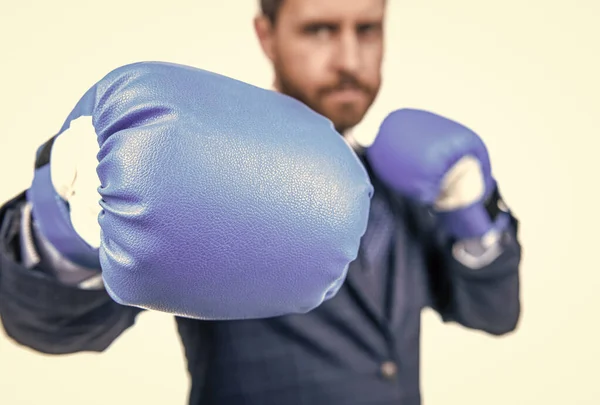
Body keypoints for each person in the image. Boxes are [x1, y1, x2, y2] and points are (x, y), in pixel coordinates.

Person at [0, 0, 522, 404]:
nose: (349, 59)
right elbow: (48, 327)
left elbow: (494, 315)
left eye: (367, 29)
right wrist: (64, 227)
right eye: (319, 30)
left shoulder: (404, 182)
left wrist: (470, 212)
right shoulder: (200, 160)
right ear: (266, 35)